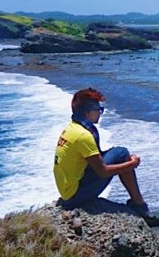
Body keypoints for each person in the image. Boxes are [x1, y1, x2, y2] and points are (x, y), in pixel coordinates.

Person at [54, 87, 150, 216]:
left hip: (68, 190)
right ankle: (139, 205)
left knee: (118, 153)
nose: (100, 113)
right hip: (75, 197)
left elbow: (93, 158)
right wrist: (131, 164)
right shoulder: (83, 136)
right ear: (88, 113)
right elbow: (103, 172)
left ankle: (138, 203)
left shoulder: (72, 128)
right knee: (122, 154)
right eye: (99, 110)